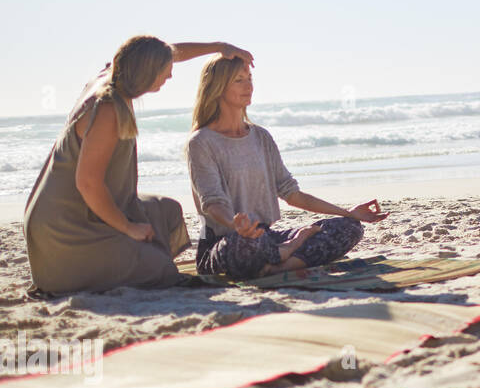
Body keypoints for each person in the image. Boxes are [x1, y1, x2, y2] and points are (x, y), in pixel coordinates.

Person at [24, 37, 252, 295]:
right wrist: (128, 227)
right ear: (148, 71)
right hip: (65, 231)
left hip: (81, 213)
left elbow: (170, 53)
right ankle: (130, 261)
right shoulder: (108, 106)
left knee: (168, 212)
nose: (170, 76)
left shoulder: (115, 73)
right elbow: (87, 183)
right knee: (161, 270)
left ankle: (134, 257)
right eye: (166, 71)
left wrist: (219, 47)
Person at [185, 55, 387, 279]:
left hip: (266, 237)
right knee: (246, 242)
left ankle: (278, 265)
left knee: (349, 227)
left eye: (250, 78)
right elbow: (212, 202)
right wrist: (236, 225)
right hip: (225, 242)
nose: (249, 86)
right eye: (238, 80)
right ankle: (288, 251)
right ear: (217, 87)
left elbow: (291, 193)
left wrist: (348, 213)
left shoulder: (260, 137)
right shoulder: (201, 142)